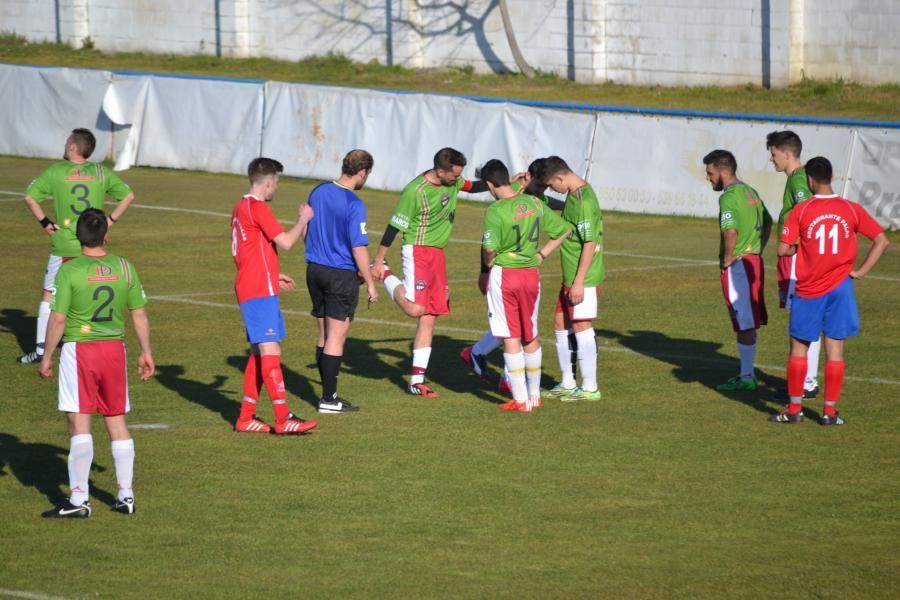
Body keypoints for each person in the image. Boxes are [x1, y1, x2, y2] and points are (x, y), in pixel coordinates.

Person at [37, 208, 154, 518]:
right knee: (116, 419)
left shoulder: (70, 271)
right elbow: (139, 314)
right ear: (106, 235)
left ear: (78, 238)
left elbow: (58, 318)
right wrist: (146, 352)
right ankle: (126, 496)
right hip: (115, 350)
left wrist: (46, 355)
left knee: (79, 420)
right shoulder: (125, 268)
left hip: (81, 352)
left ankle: (78, 501)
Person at [772, 156, 889, 425]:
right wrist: (859, 272)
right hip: (841, 288)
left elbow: (782, 250)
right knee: (835, 350)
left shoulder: (801, 210)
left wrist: (798, 246)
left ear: (810, 180)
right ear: (831, 178)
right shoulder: (850, 209)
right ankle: (830, 412)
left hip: (810, 288)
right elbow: (882, 241)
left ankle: (794, 409)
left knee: (799, 348)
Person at [371, 147, 488, 398]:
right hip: (418, 251)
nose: (458, 180)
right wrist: (379, 260)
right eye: (454, 175)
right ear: (440, 170)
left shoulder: (453, 182)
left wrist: (509, 182)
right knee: (415, 309)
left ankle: (416, 381)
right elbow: (394, 227)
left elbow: (476, 187)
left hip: (438, 255)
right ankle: (387, 271)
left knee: (430, 316)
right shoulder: (415, 191)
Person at [21, 128, 135, 364]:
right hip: (94, 242)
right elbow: (128, 196)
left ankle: (42, 350)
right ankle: (89, 339)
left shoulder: (56, 171)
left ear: (73, 147)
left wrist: (44, 222)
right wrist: (109, 221)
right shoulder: (100, 172)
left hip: (65, 244)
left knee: (49, 294)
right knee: (89, 289)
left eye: (67, 142)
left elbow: (30, 197)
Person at [460, 157, 564, 395]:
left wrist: (487, 266)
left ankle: (518, 396)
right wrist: (542, 254)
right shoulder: (532, 202)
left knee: (510, 334)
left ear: (489, 184)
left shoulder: (498, 209)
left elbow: (488, 247)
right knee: (528, 334)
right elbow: (562, 229)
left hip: (506, 273)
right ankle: (532, 394)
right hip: (530, 273)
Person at [231, 157, 318, 435]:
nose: (276, 188)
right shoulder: (258, 208)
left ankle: (245, 417)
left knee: (259, 351)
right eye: (276, 182)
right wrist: (303, 219)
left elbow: (248, 250)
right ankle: (283, 417)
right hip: (258, 290)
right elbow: (287, 242)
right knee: (271, 350)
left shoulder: (240, 206)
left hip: (255, 283)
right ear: (268, 182)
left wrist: (273, 274)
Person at [305, 150, 378, 413]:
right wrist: (369, 282)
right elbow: (359, 248)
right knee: (337, 336)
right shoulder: (354, 204)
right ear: (362, 172)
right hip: (340, 275)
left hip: (314, 270)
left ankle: (327, 391)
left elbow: (306, 227)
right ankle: (328, 398)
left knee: (323, 333)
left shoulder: (319, 191)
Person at [703, 150, 772, 391]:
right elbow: (768, 220)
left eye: (710, 173)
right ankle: (746, 374)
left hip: (739, 266)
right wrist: (758, 247)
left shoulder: (728, 198)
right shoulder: (750, 191)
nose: (708, 178)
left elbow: (729, 230)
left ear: (723, 171)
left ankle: (746, 378)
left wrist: (728, 258)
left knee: (743, 321)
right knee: (748, 321)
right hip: (753, 261)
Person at [541, 156, 605, 401]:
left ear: (560, 178)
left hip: (583, 277)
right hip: (570, 274)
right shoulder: (573, 196)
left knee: (581, 326)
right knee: (560, 323)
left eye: (550, 185)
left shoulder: (584, 201)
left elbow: (590, 243)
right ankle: (568, 382)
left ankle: (590, 387)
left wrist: (579, 281)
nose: (551, 189)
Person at [767, 130, 821, 399]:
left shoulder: (799, 179)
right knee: (808, 316)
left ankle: (806, 381)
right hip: (801, 256)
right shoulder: (799, 178)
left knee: (804, 317)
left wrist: (797, 248)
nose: (771, 159)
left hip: (799, 258)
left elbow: (809, 215)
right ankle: (807, 380)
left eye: (774, 154)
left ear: (787, 154)